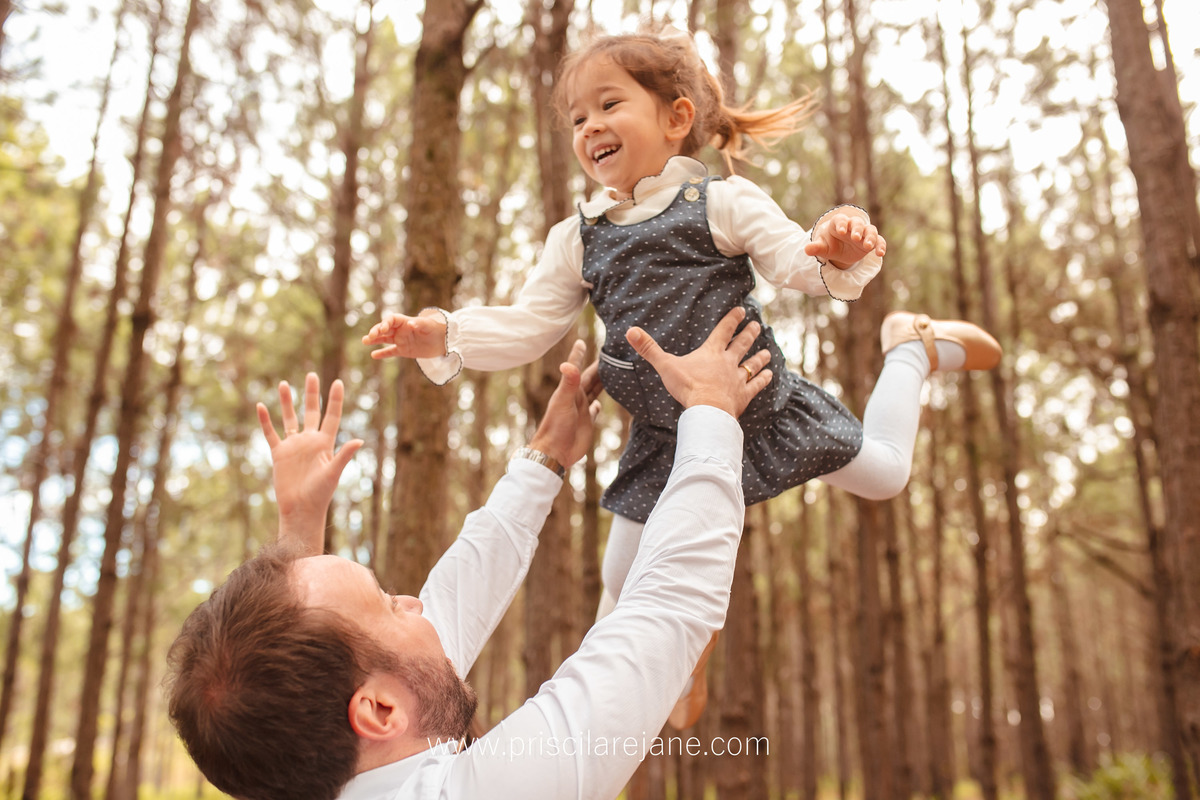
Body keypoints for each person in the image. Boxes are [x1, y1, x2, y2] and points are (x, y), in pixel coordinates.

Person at [361, 28, 1001, 728]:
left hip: (759, 407)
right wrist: (443, 332)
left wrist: (836, 246)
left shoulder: (721, 202)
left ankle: (909, 348)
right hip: (668, 436)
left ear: (676, 118)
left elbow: (796, 260)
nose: (590, 126)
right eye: (577, 118)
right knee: (618, 576)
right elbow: (529, 324)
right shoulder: (579, 237)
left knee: (885, 474)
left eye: (609, 104)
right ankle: (637, 690)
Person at [166, 308, 774, 800]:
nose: (412, 601)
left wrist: (546, 455)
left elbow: (443, 613)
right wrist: (711, 413)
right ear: (377, 711)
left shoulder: (320, 767)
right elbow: (664, 615)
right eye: (389, 605)